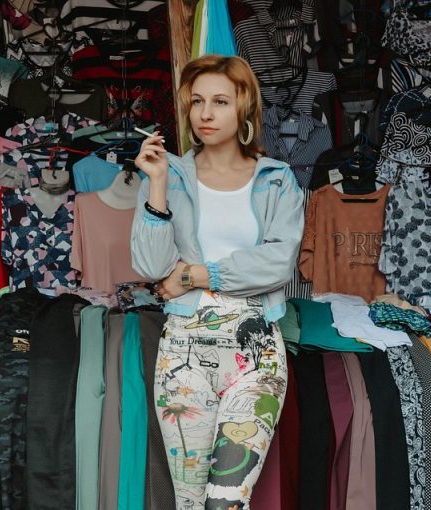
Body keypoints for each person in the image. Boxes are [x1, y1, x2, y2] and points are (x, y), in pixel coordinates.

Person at [131, 54, 304, 509]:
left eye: (221, 102)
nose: (205, 114)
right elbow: (151, 265)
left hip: (257, 357)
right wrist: (156, 186)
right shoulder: (171, 176)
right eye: (197, 102)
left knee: (225, 501)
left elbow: (277, 263)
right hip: (182, 358)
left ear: (244, 107)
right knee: (190, 503)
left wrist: (194, 274)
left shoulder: (276, 181)